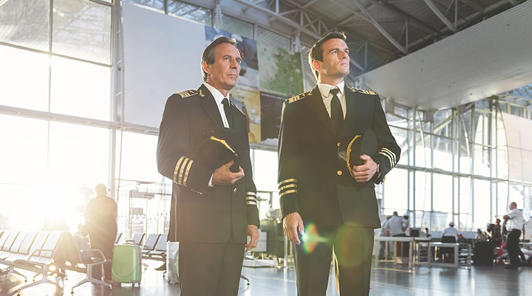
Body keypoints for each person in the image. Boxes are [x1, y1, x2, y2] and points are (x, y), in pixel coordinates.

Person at [278, 32, 400, 296]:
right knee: (310, 289)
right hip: (311, 217)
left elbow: (391, 147)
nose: (345, 55)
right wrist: (290, 209)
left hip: (358, 214)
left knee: (356, 290)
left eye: (346, 50)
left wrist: (377, 166)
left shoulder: (369, 101)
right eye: (335, 51)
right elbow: (286, 163)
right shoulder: (295, 108)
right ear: (317, 64)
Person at [156, 36, 260, 296]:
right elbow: (166, 160)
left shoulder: (238, 115)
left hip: (235, 228)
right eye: (227, 59)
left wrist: (252, 218)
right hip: (199, 225)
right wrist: (211, 177)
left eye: (237, 61)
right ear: (207, 66)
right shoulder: (183, 103)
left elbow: (246, 170)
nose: (235, 65)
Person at [83, 183, 117, 283]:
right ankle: (108, 277)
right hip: (110, 230)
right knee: (108, 253)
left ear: (96, 191)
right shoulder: (112, 201)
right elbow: (115, 216)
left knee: (96, 253)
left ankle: (96, 278)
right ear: (105, 190)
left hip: (96, 230)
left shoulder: (92, 201)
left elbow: (86, 215)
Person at [502, 202, 524, 269]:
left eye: (510, 206)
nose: (509, 207)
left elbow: (506, 217)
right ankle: (515, 263)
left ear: (513, 206)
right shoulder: (517, 213)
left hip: (514, 232)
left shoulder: (515, 211)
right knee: (513, 247)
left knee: (510, 247)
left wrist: (505, 218)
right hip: (514, 232)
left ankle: (516, 262)